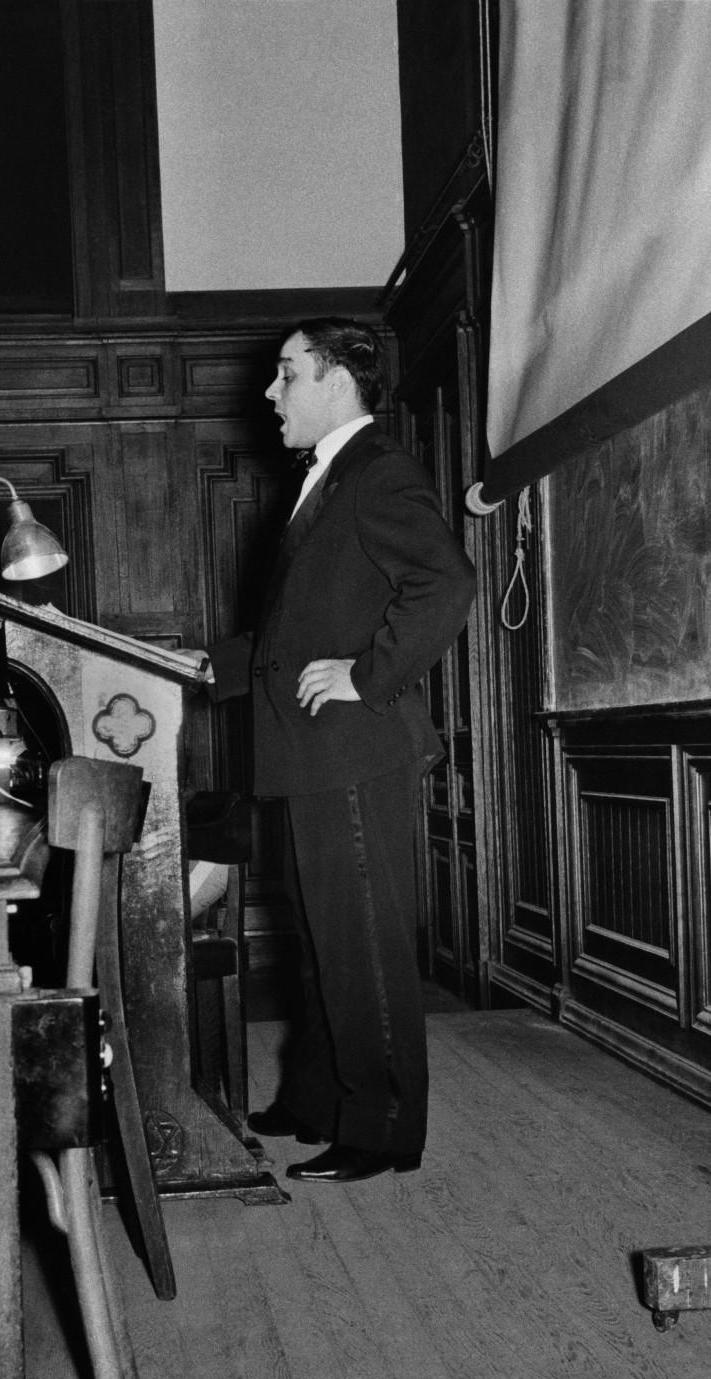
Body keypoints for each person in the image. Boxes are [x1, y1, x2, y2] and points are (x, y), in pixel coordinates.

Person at [197, 317, 476, 1184]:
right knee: (320, 936)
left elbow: (447, 581)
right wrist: (197, 664)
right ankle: (319, 1097)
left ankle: (383, 1125)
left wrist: (368, 674)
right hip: (307, 752)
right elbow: (290, 635)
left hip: (353, 747)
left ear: (339, 382)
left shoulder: (378, 473)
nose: (269, 393)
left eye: (287, 375)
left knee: (362, 941)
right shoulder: (330, 478)